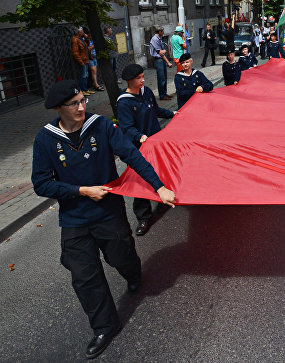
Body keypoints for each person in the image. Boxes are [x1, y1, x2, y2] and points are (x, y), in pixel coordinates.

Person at [31, 80, 176, 359]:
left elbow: (132, 155)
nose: (82, 107)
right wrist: (80, 191)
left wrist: (158, 187)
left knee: (121, 256)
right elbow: (41, 184)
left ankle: (133, 273)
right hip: (74, 219)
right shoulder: (45, 139)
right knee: (84, 277)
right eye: (74, 104)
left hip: (109, 212)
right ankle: (104, 327)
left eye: (83, 100)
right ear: (59, 108)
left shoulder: (101, 126)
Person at [117, 64, 177, 235]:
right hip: (140, 147)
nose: (143, 80)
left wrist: (172, 114)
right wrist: (140, 136)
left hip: (156, 142)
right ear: (130, 81)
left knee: (163, 169)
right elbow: (127, 127)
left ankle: (167, 193)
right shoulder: (124, 102)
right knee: (141, 180)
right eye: (138, 78)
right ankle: (143, 217)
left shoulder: (147, 92)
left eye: (143, 76)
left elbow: (156, 110)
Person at [149, 26, 173, 100]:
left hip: (161, 60)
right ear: (159, 32)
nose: (163, 32)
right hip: (158, 60)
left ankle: (164, 93)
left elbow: (162, 52)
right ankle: (162, 95)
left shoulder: (158, 38)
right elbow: (161, 53)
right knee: (161, 78)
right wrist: (168, 62)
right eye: (162, 31)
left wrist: (164, 52)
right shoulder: (155, 39)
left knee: (164, 78)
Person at [71, 28, 91, 96]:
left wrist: (86, 37)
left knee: (86, 75)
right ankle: (82, 90)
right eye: (82, 31)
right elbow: (75, 53)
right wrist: (81, 62)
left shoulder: (81, 38)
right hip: (83, 61)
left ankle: (85, 89)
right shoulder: (75, 40)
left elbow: (87, 45)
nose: (83, 32)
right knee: (83, 75)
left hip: (86, 60)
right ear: (78, 32)